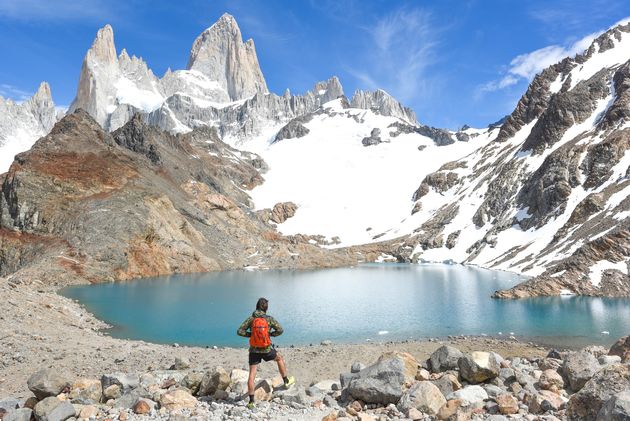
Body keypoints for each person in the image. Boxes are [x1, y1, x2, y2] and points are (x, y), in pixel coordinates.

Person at [237, 297, 295, 409]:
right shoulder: (269, 319)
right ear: (266, 308)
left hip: (254, 350)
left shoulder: (251, 319)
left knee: (252, 375)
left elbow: (239, 331)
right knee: (279, 359)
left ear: (256, 306)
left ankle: (251, 402)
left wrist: (251, 335)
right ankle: (286, 381)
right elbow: (280, 330)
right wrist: (271, 334)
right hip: (267, 349)